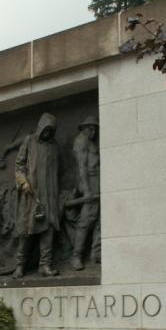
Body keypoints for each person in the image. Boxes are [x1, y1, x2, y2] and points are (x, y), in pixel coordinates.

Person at [13, 113, 60, 278]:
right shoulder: (30, 141)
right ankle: (20, 266)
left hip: (50, 196)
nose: (47, 134)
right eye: (45, 130)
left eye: (50, 131)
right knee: (28, 231)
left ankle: (45, 265)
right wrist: (23, 181)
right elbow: (19, 165)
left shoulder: (54, 146)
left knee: (49, 231)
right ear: (40, 128)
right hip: (32, 195)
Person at [71, 116, 101, 270]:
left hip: (97, 181)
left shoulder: (88, 141)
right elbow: (81, 167)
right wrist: (87, 190)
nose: (93, 131)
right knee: (86, 221)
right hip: (90, 182)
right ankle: (76, 256)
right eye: (91, 128)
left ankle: (96, 253)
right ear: (84, 128)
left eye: (95, 128)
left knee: (98, 220)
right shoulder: (81, 141)